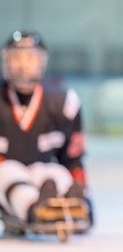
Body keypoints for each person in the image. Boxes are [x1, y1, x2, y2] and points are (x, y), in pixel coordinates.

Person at [0, 30, 92, 238]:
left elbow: (73, 159)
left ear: (41, 61)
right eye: (17, 57)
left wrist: (82, 188)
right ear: (7, 60)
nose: (23, 64)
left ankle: (70, 200)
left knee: (54, 173)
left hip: (40, 172)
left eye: (30, 57)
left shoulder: (64, 103)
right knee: (8, 172)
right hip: (5, 178)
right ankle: (35, 209)